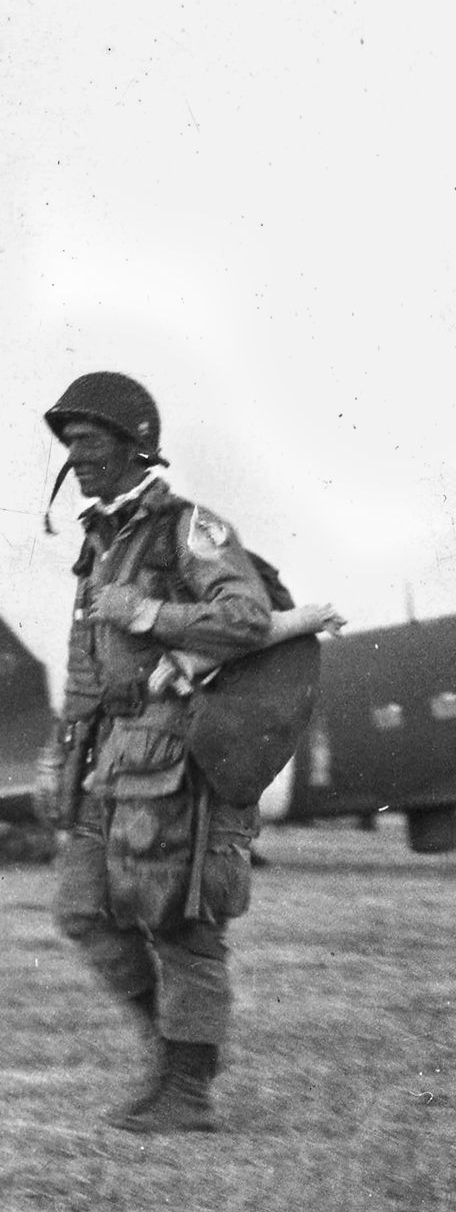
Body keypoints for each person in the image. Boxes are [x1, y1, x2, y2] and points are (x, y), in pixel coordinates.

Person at [41, 372, 275, 1133]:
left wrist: (147, 610)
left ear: (136, 445)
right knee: (83, 911)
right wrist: (59, 750)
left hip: (175, 755)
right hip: (109, 755)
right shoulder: (101, 541)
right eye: (70, 443)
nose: (77, 456)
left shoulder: (190, 527)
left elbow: (247, 618)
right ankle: (166, 1054)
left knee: (181, 924)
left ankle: (189, 1089)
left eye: (91, 441)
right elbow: (86, 664)